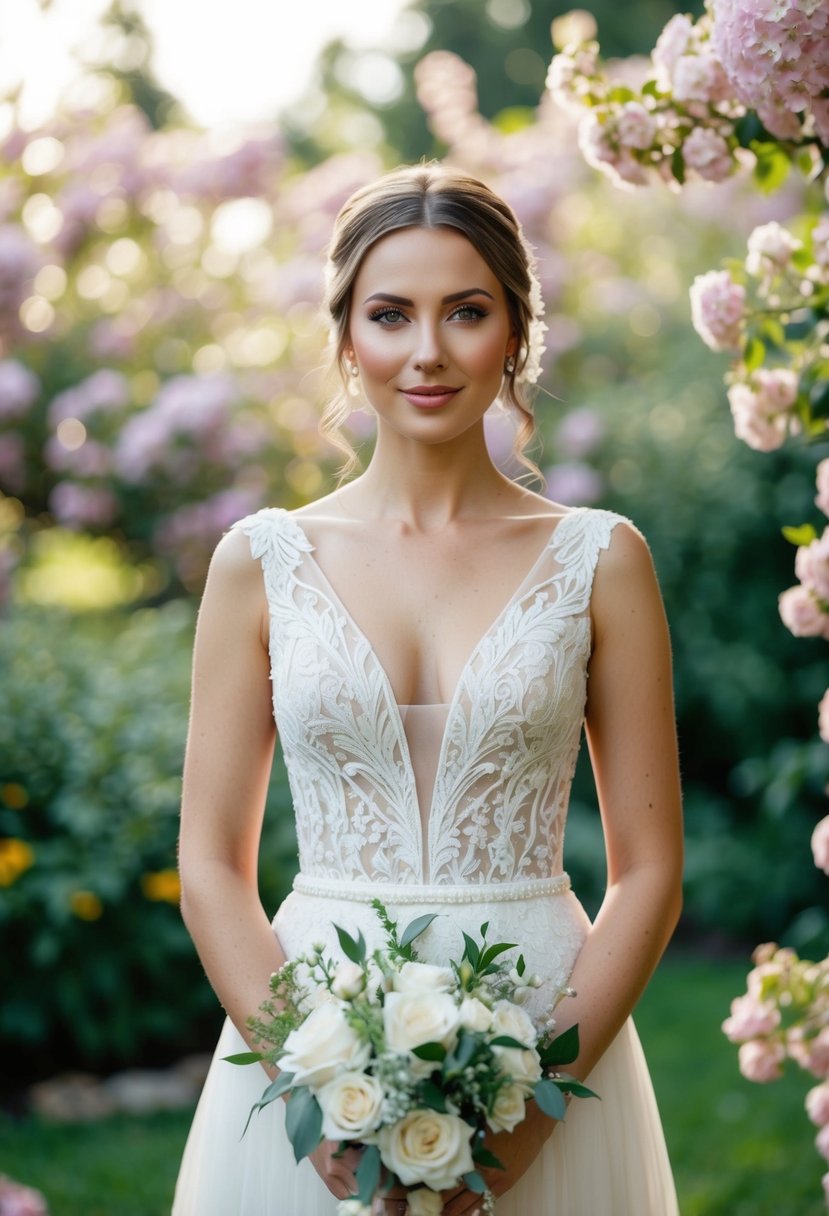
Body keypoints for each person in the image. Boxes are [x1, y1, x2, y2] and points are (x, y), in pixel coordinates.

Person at [173, 163, 684, 1216]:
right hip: (314, 1047)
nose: (427, 351)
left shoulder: (602, 559)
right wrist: (313, 1083)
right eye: (391, 313)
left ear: (515, 333)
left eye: (466, 311)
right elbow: (209, 863)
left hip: (545, 1028)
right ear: (346, 335)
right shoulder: (260, 560)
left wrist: (531, 1109)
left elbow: (650, 871)